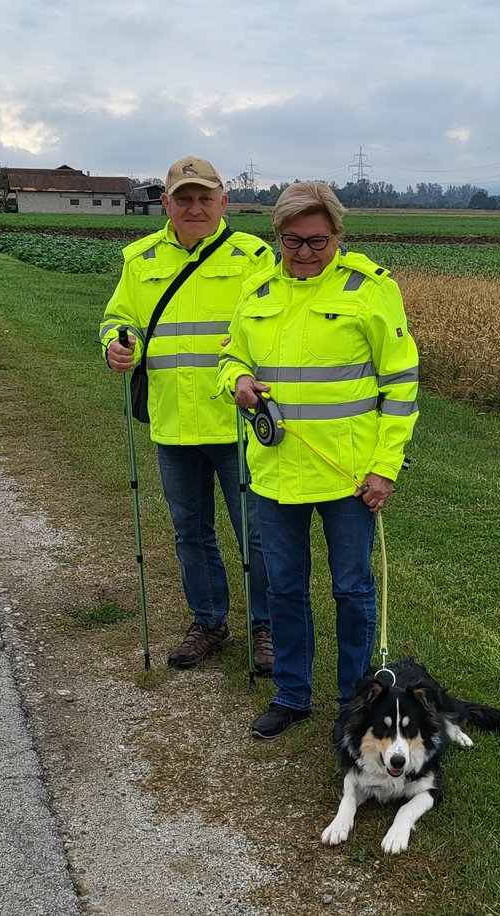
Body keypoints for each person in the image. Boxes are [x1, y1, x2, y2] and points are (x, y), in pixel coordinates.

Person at [217, 181, 419, 738]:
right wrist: (235, 378)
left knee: (351, 590)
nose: (305, 253)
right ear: (276, 237)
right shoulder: (256, 291)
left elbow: (400, 384)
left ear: (338, 236)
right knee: (283, 587)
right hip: (277, 473)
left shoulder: (370, 289)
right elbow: (231, 352)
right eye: (292, 241)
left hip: (348, 476)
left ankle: (358, 700)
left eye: (318, 241)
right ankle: (291, 693)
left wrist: (385, 467)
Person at [99, 156, 276, 675]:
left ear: (223, 202)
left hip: (238, 424)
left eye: (205, 198)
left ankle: (265, 626)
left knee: (257, 532)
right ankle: (209, 620)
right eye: (184, 198)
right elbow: (117, 317)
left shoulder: (254, 256)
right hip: (173, 422)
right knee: (189, 530)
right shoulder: (140, 258)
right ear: (166, 204)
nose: (194, 207)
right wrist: (114, 343)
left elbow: (274, 326)